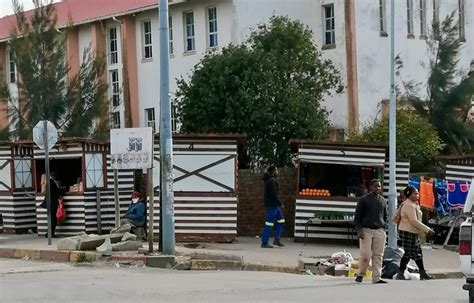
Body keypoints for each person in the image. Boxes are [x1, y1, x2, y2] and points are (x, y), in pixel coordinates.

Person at [396, 186, 434, 280]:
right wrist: (427, 230)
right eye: (415, 193)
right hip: (407, 231)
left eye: (417, 193)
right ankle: (400, 274)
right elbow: (413, 221)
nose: (417, 195)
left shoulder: (414, 204)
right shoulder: (408, 205)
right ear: (409, 195)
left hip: (413, 231)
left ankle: (422, 273)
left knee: (418, 253)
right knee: (409, 253)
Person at [353, 179, 388, 284]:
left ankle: (376, 277)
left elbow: (385, 215)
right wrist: (359, 230)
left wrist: (384, 226)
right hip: (366, 230)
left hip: (379, 231)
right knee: (366, 255)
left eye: (379, 186)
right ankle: (361, 274)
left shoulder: (382, 200)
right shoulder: (363, 200)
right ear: (370, 187)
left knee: (378, 255)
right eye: (375, 186)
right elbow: (357, 217)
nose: (378, 188)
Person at [260, 166, 285, 248]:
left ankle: (276, 240)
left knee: (281, 220)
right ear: (273, 171)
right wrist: (280, 203)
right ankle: (264, 242)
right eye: (276, 170)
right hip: (272, 205)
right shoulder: (272, 181)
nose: (277, 172)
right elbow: (274, 194)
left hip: (274, 205)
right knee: (269, 223)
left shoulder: (270, 180)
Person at [40, 171, 64, 237]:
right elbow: (55, 192)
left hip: (50, 204)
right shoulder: (51, 182)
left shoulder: (50, 182)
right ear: (53, 176)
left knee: (52, 219)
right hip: (52, 204)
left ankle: (49, 233)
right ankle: (50, 234)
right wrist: (62, 191)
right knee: (53, 220)